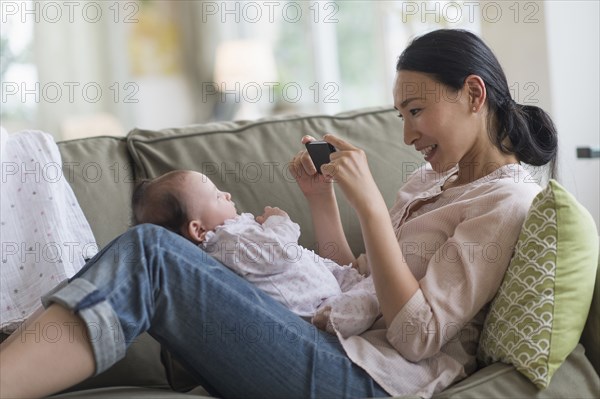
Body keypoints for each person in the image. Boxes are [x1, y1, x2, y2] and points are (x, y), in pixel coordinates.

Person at [0, 29, 557, 399]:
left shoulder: (505, 202)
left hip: (374, 381)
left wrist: (369, 205)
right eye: (401, 114)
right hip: (338, 344)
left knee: (154, 254)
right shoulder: (430, 182)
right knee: (156, 255)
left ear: (474, 95)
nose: (407, 134)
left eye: (416, 112)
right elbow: (354, 281)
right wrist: (323, 201)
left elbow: (417, 336)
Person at [131, 170, 380, 337]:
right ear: (198, 229)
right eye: (217, 196)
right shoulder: (228, 242)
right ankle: (344, 314)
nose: (227, 194)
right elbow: (280, 252)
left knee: (367, 284)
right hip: (317, 309)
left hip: (323, 287)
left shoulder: (234, 234)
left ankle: (361, 289)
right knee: (371, 298)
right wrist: (278, 222)